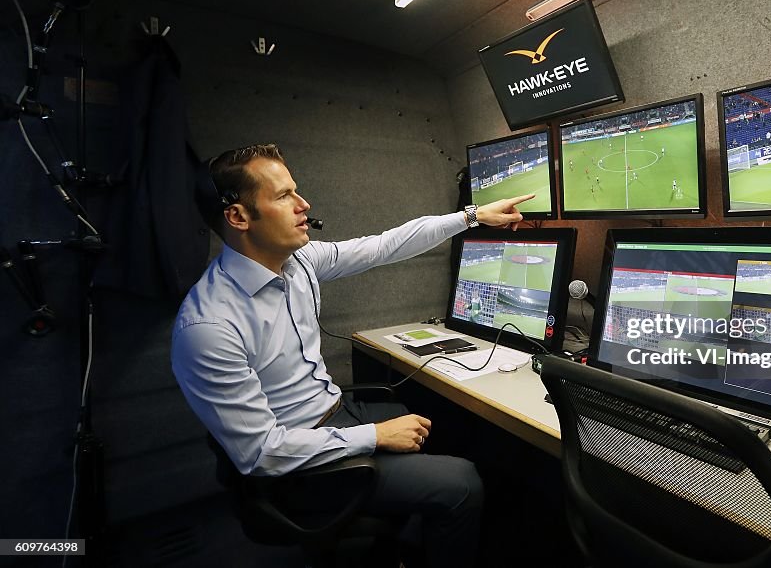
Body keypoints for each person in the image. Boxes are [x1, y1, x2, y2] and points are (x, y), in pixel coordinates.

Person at [172, 144, 531, 568]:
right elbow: (262, 453)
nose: (304, 204)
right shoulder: (208, 327)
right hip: (298, 468)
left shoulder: (299, 262)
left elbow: (384, 246)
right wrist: (376, 436)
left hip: (335, 413)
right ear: (238, 217)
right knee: (463, 482)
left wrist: (472, 217)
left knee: (439, 424)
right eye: (284, 196)